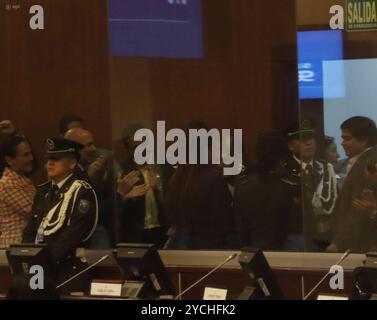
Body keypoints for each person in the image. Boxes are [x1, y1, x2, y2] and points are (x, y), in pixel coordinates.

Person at [22, 138, 98, 263]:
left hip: (66, 265)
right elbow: (30, 230)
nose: (50, 164)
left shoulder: (82, 192)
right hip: (39, 265)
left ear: (72, 163)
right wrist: (28, 255)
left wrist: (43, 260)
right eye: (48, 159)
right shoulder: (43, 191)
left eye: (56, 159)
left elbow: (72, 235)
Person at [283, 122, 338, 251]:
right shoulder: (284, 170)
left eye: (311, 138)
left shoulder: (325, 168)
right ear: (290, 145)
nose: (309, 143)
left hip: (325, 236)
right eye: (302, 139)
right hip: (297, 234)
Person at [234, 132, 292, 250]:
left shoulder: (242, 186)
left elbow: (240, 230)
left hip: (251, 252)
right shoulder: (287, 188)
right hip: (283, 254)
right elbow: (292, 230)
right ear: (280, 161)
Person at [64, 128, 121, 248]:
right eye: (88, 145)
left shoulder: (85, 170)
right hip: (86, 240)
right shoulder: (68, 174)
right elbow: (90, 213)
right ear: (74, 149)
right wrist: (120, 194)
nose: (94, 149)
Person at [327, 116, 377, 253]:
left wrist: (338, 243)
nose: (342, 143)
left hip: (358, 245)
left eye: (347, 138)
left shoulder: (369, 163)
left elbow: (358, 208)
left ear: (364, 139)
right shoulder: (362, 160)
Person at [117, 125, 171, 248]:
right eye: (136, 147)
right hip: (137, 232)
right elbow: (119, 210)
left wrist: (157, 189)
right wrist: (127, 197)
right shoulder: (125, 171)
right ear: (129, 150)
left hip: (161, 229)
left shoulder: (161, 167)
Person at [0, 136, 36, 247]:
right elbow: (35, 211)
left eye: (30, 153)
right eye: (25, 155)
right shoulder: (7, 184)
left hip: (25, 244)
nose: (31, 158)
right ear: (9, 160)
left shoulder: (23, 180)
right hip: (14, 245)